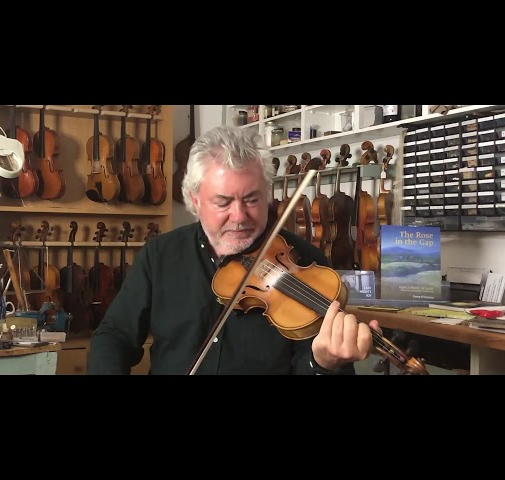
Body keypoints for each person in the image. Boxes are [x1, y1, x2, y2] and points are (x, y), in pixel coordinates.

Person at [87, 125, 380, 375]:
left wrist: (324, 363)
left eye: (252, 199)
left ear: (267, 194)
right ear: (195, 199)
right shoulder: (160, 255)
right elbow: (113, 336)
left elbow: (314, 366)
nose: (239, 217)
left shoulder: (307, 263)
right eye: (223, 202)